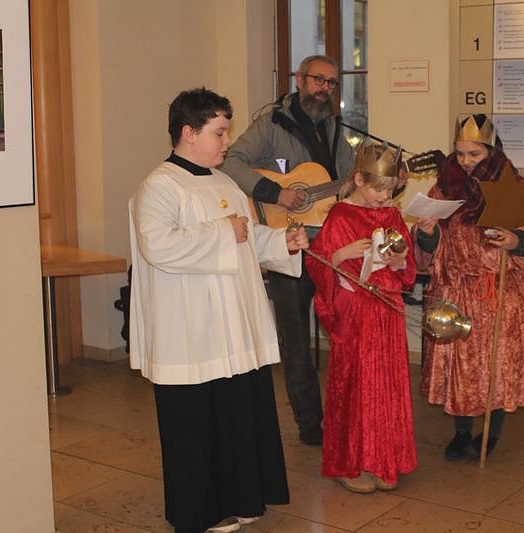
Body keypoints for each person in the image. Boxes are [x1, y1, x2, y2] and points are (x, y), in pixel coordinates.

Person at [128, 87, 309, 533]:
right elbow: (158, 246)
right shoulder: (160, 185)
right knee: (197, 423)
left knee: (237, 413)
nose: (227, 142)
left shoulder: (225, 179)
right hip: (192, 329)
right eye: (219, 132)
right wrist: (222, 230)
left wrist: (280, 242)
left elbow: (246, 235)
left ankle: (244, 495)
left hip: (235, 324)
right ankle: (201, 510)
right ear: (189, 133)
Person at [220, 54, 356, 446]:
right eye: (318, 80)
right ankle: (310, 422)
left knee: (343, 328)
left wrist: (380, 182)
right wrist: (276, 192)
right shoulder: (270, 124)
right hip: (286, 244)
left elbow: (347, 181)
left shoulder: (334, 130)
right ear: (299, 80)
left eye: (332, 83)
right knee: (295, 337)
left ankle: (347, 413)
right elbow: (231, 161)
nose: (324, 89)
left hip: (328, 245)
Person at [413, 114, 524, 461]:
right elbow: (428, 247)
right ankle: (461, 433)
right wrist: (428, 232)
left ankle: (491, 432)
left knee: (496, 366)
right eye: (460, 154)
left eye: (474, 155)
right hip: (454, 291)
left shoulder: (519, 189)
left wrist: (517, 239)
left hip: (497, 293)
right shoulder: (443, 188)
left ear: (491, 151)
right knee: (459, 367)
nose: (466, 162)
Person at [306, 142, 417, 493]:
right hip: (356, 313)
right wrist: (341, 254)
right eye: (378, 190)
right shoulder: (340, 215)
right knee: (356, 387)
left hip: (388, 309)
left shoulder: (392, 215)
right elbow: (316, 262)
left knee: (387, 383)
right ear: (358, 179)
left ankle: (383, 459)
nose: (384, 198)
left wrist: (399, 262)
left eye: (390, 191)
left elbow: (407, 265)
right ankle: (350, 463)